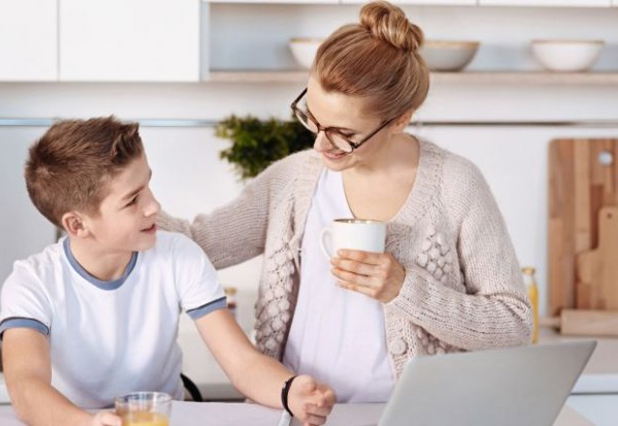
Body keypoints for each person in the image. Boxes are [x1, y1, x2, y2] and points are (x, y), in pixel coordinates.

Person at [159, 0, 533, 404]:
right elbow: (194, 243)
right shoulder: (292, 181)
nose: (321, 144)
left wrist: (404, 288)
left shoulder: (456, 185)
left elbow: (513, 324)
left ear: (400, 119)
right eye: (313, 119)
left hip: (413, 415)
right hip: (298, 415)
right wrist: (122, 198)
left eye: (344, 133)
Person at [0, 117, 335, 426]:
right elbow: (26, 388)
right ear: (77, 225)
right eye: (132, 200)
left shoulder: (178, 256)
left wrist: (289, 391)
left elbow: (241, 363)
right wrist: (89, 423)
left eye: (147, 186)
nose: (153, 206)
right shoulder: (32, 282)